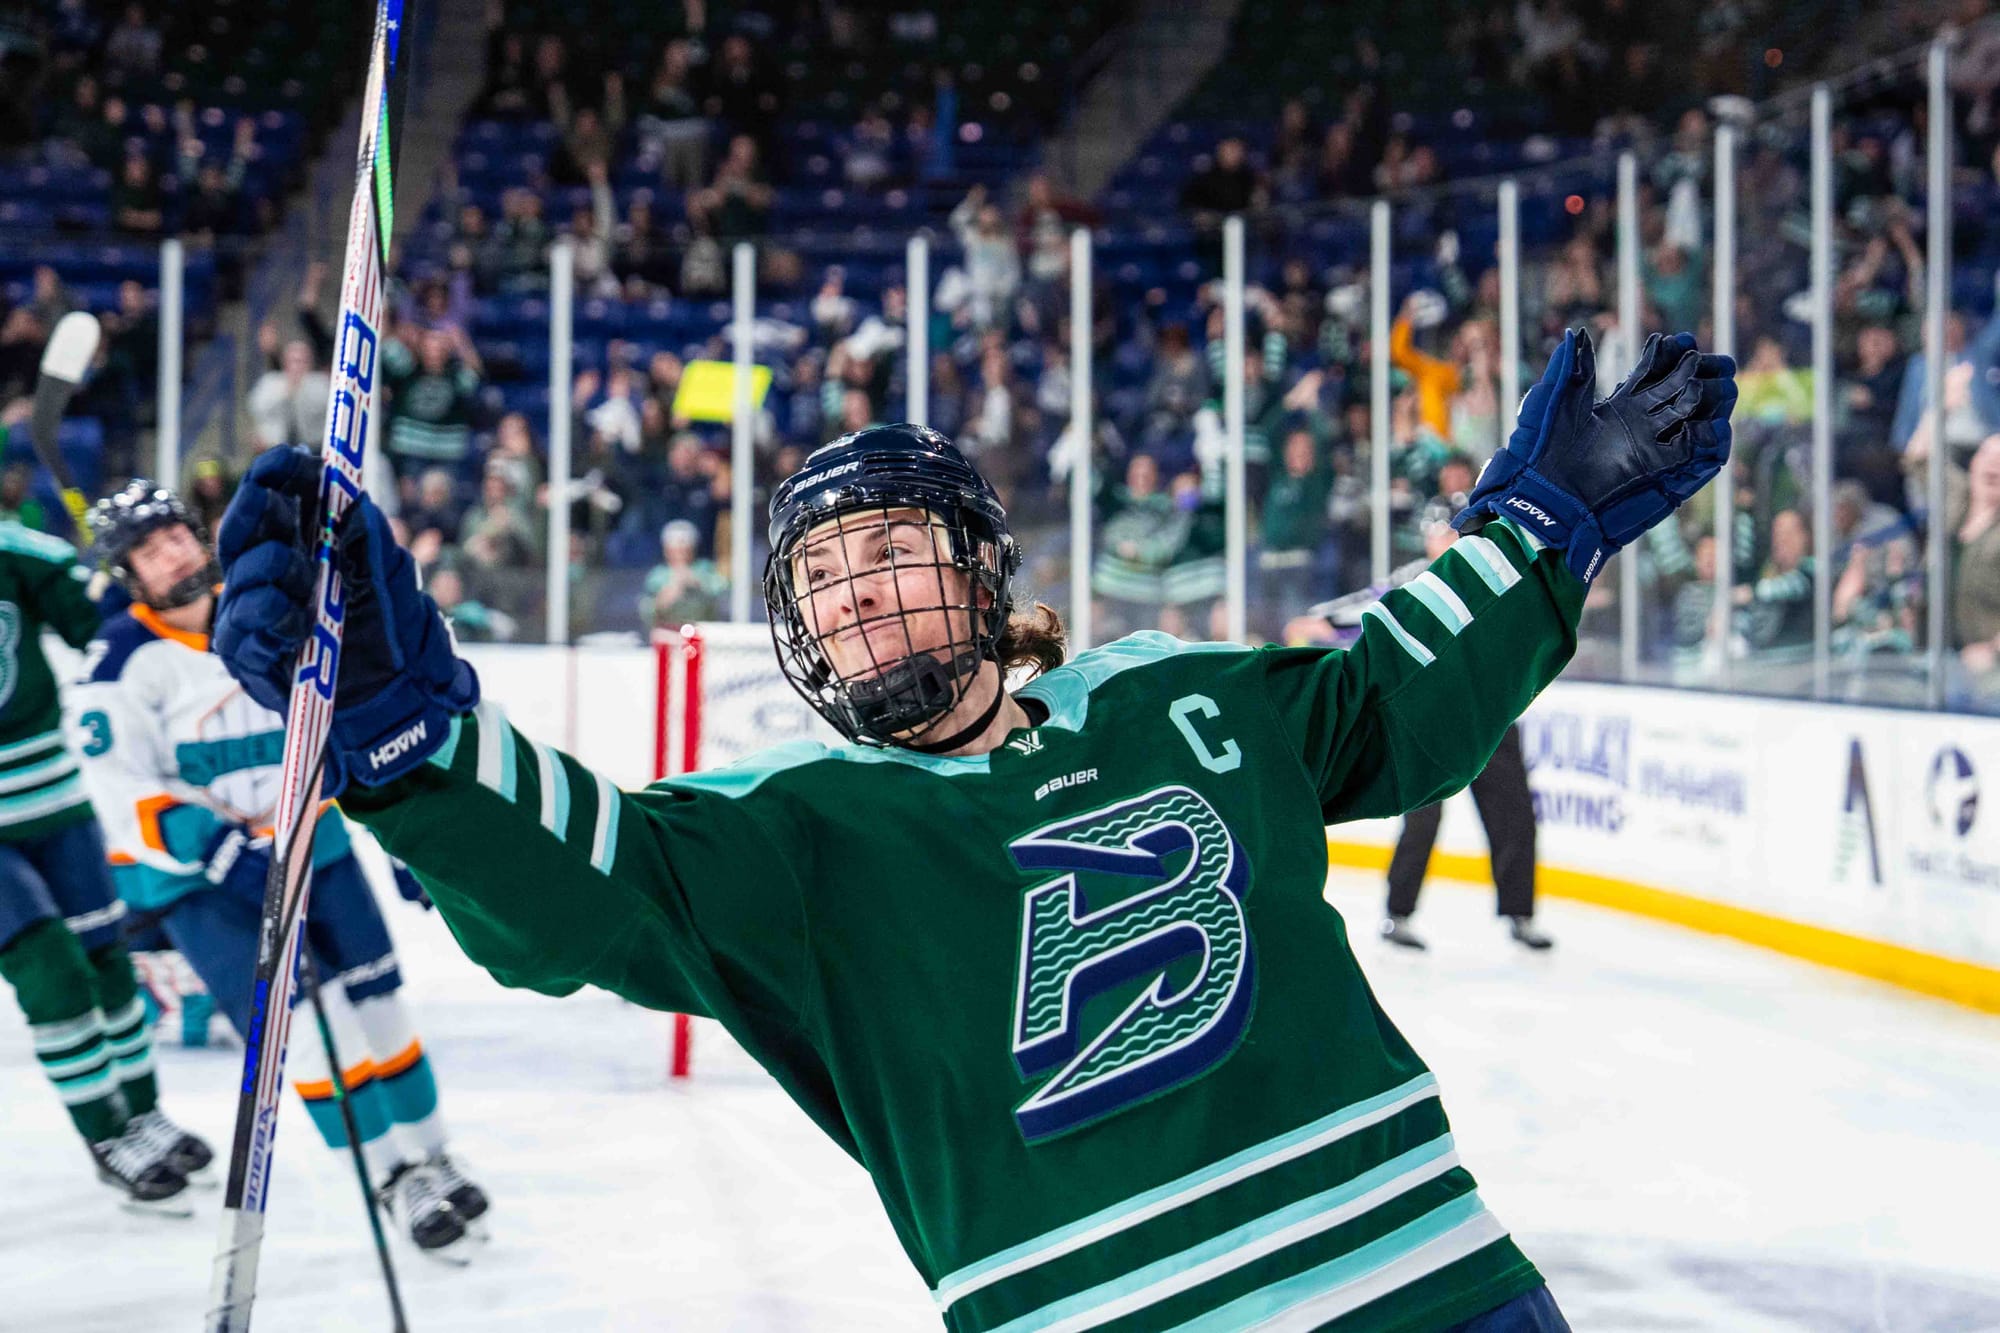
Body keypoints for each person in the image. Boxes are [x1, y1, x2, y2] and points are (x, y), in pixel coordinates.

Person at [211, 329, 1735, 1331]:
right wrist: (417, 747)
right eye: (820, 578)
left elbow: (1393, 699)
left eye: (888, 548)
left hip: (1428, 1283)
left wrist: (1534, 532)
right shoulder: (786, 837)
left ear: (988, 574)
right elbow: (581, 883)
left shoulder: (1178, 701)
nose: (855, 592)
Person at [68, 484, 490, 1254]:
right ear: (132, 575)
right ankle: (391, 1179)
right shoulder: (119, 667)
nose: (173, 554)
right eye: (150, 549)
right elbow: (119, 790)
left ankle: (433, 1154)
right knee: (303, 1029)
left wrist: (403, 834)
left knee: (378, 1004)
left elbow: (348, 715)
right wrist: (216, 847)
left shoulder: (275, 614)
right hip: (198, 885)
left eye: (176, 536)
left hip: (314, 843)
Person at [0, 518, 211, 1209]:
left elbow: (97, 621)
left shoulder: (12, 549)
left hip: (55, 800)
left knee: (106, 959)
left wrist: (110, 572)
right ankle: (106, 1134)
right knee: (51, 971)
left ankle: (143, 1114)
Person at [1286, 502, 1552, 951]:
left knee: (1513, 813)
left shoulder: (1495, 574)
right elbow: (1372, 601)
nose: (1443, 541)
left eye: (1452, 532)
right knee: (1422, 816)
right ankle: (1398, 913)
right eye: (1437, 533)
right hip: (1429, 717)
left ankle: (1520, 913)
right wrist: (1323, 618)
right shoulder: (1418, 576)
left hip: (1490, 713)